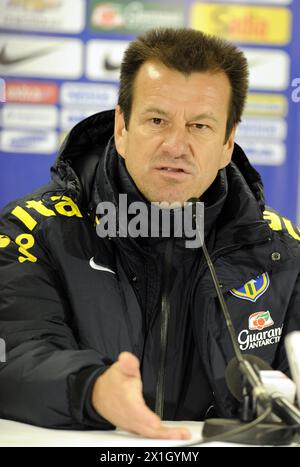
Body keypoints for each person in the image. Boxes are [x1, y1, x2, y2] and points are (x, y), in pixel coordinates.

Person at [0, 28, 299, 441]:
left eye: (200, 126)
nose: (176, 145)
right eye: (157, 120)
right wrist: (92, 390)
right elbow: (16, 358)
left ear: (228, 142)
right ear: (122, 127)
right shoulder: (33, 231)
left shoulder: (283, 252)